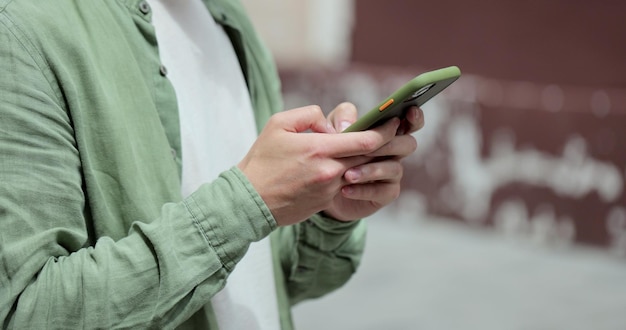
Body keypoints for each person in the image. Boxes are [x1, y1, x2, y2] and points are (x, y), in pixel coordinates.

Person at [0, 0, 424, 329]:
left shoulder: (228, 21)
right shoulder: (25, 31)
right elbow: (26, 312)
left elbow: (272, 284)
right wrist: (246, 202)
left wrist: (329, 210)